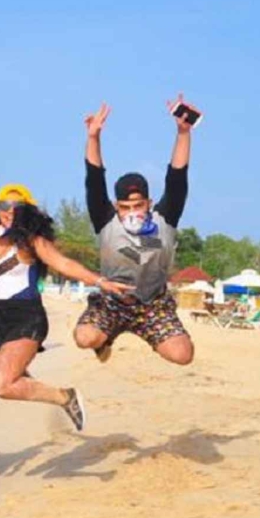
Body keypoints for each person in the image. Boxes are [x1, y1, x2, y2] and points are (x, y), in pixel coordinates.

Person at [0, 186, 129, 429]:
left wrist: (98, 281)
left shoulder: (32, 242)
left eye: (17, 207)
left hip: (26, 319)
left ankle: (65, 397)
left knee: (2, 386)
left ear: (26, 212)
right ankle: (16, 371)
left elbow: (62, 263)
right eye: (5, 206)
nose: (10, 212)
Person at [73, 98, 199, 366]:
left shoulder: (164, 219)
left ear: (149, 204)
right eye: (125, 207)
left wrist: (183, 133)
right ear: (116, 207)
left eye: (138, 205)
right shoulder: (106, 220)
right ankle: (106, 337)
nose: (132, 212)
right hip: (111, 303)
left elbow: (177, 177)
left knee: (182, 356)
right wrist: (93, 137)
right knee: (84, 338)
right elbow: (94, 179)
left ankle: (150, 334)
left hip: (153, 305)